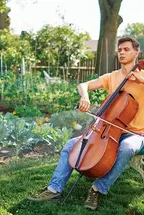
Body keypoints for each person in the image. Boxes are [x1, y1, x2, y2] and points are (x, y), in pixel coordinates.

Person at [27, 37, 144, 211]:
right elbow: (84, 84)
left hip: (136, 134)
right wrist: (85, 96)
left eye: (126, 49)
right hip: (107, 130)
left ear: (136, 53)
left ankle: (97, 189)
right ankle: (54, 189)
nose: (122, 52)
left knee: (126, 148)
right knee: (69, 145)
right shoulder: (113, 77)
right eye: (119, 50)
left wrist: (141, 80)